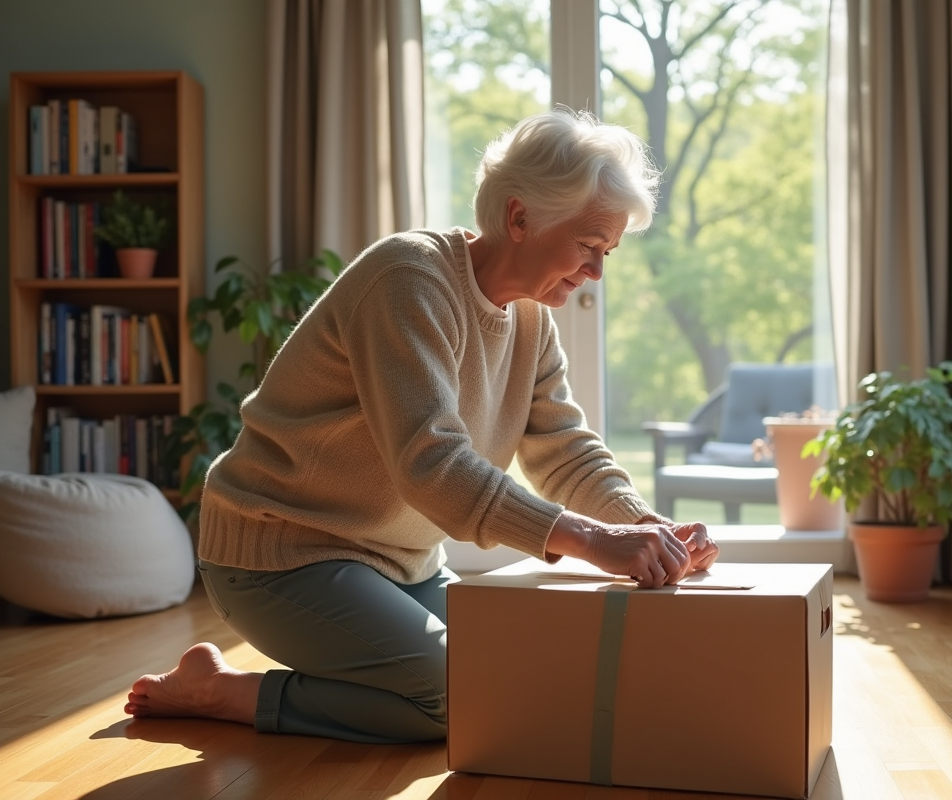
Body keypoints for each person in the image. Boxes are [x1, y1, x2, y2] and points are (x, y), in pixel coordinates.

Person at [125, 108, 720, 745]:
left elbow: (565, 449)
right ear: (520, 217)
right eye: (589, 245)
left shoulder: (530, 321)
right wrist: (594, 542)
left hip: (402, 563)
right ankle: (222, 692)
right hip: (281, 550)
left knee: (521, 676)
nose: (598, 271)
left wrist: (640, 524)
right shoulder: (409, 278)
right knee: (454, 696)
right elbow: (431, 463)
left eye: (608, 251)